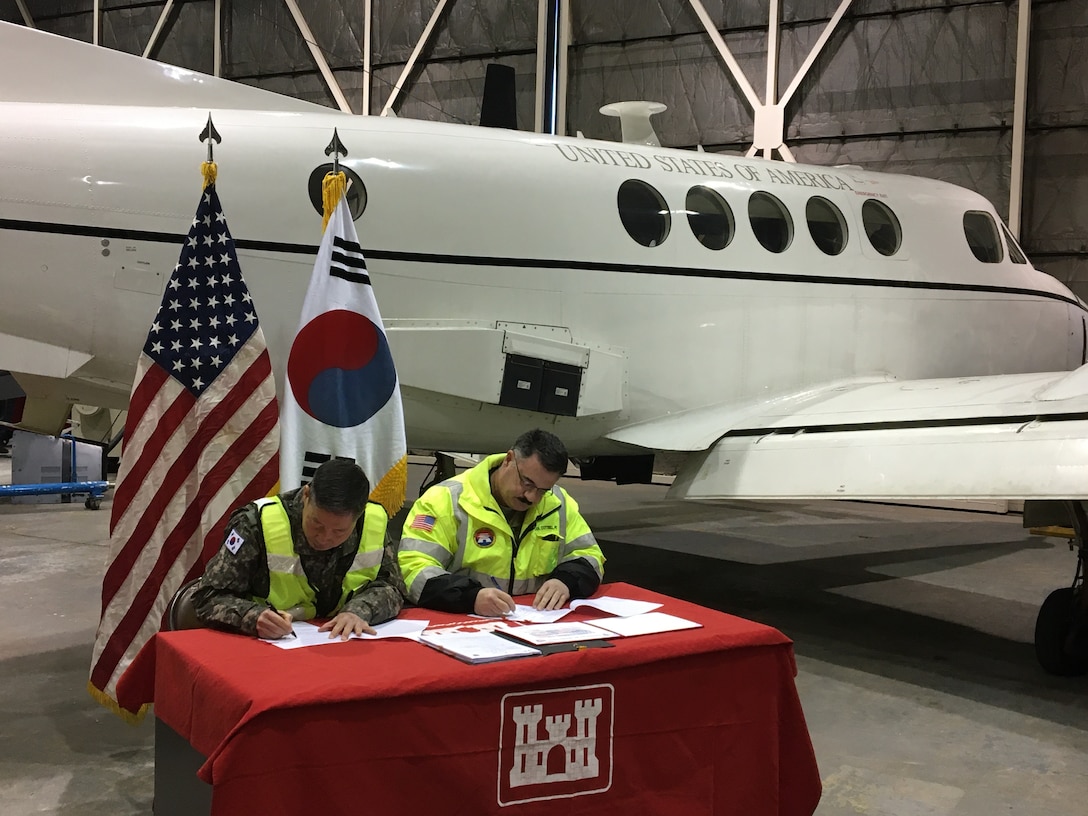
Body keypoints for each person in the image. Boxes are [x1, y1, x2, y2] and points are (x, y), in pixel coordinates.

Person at [398, 428, 604, 616]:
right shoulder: (445, 500)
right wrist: (470, 597)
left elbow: (590, 555)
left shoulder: (557, 503)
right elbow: (413, 569)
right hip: (462, 621)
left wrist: (565, 581)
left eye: (543, 490)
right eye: (527, 483)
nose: (531, 497)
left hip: (532, 622)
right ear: (508, 459)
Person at [192, 458, 403, 640]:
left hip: (339, 645)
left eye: (339, 531)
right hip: (267, 648)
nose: (325, 537)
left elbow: (393, 588)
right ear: (306, 495)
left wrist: (359, 611)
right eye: (316, 524)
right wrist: (252, 616)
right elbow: (207, 597)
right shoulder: (256, 524)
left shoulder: (371, 522)